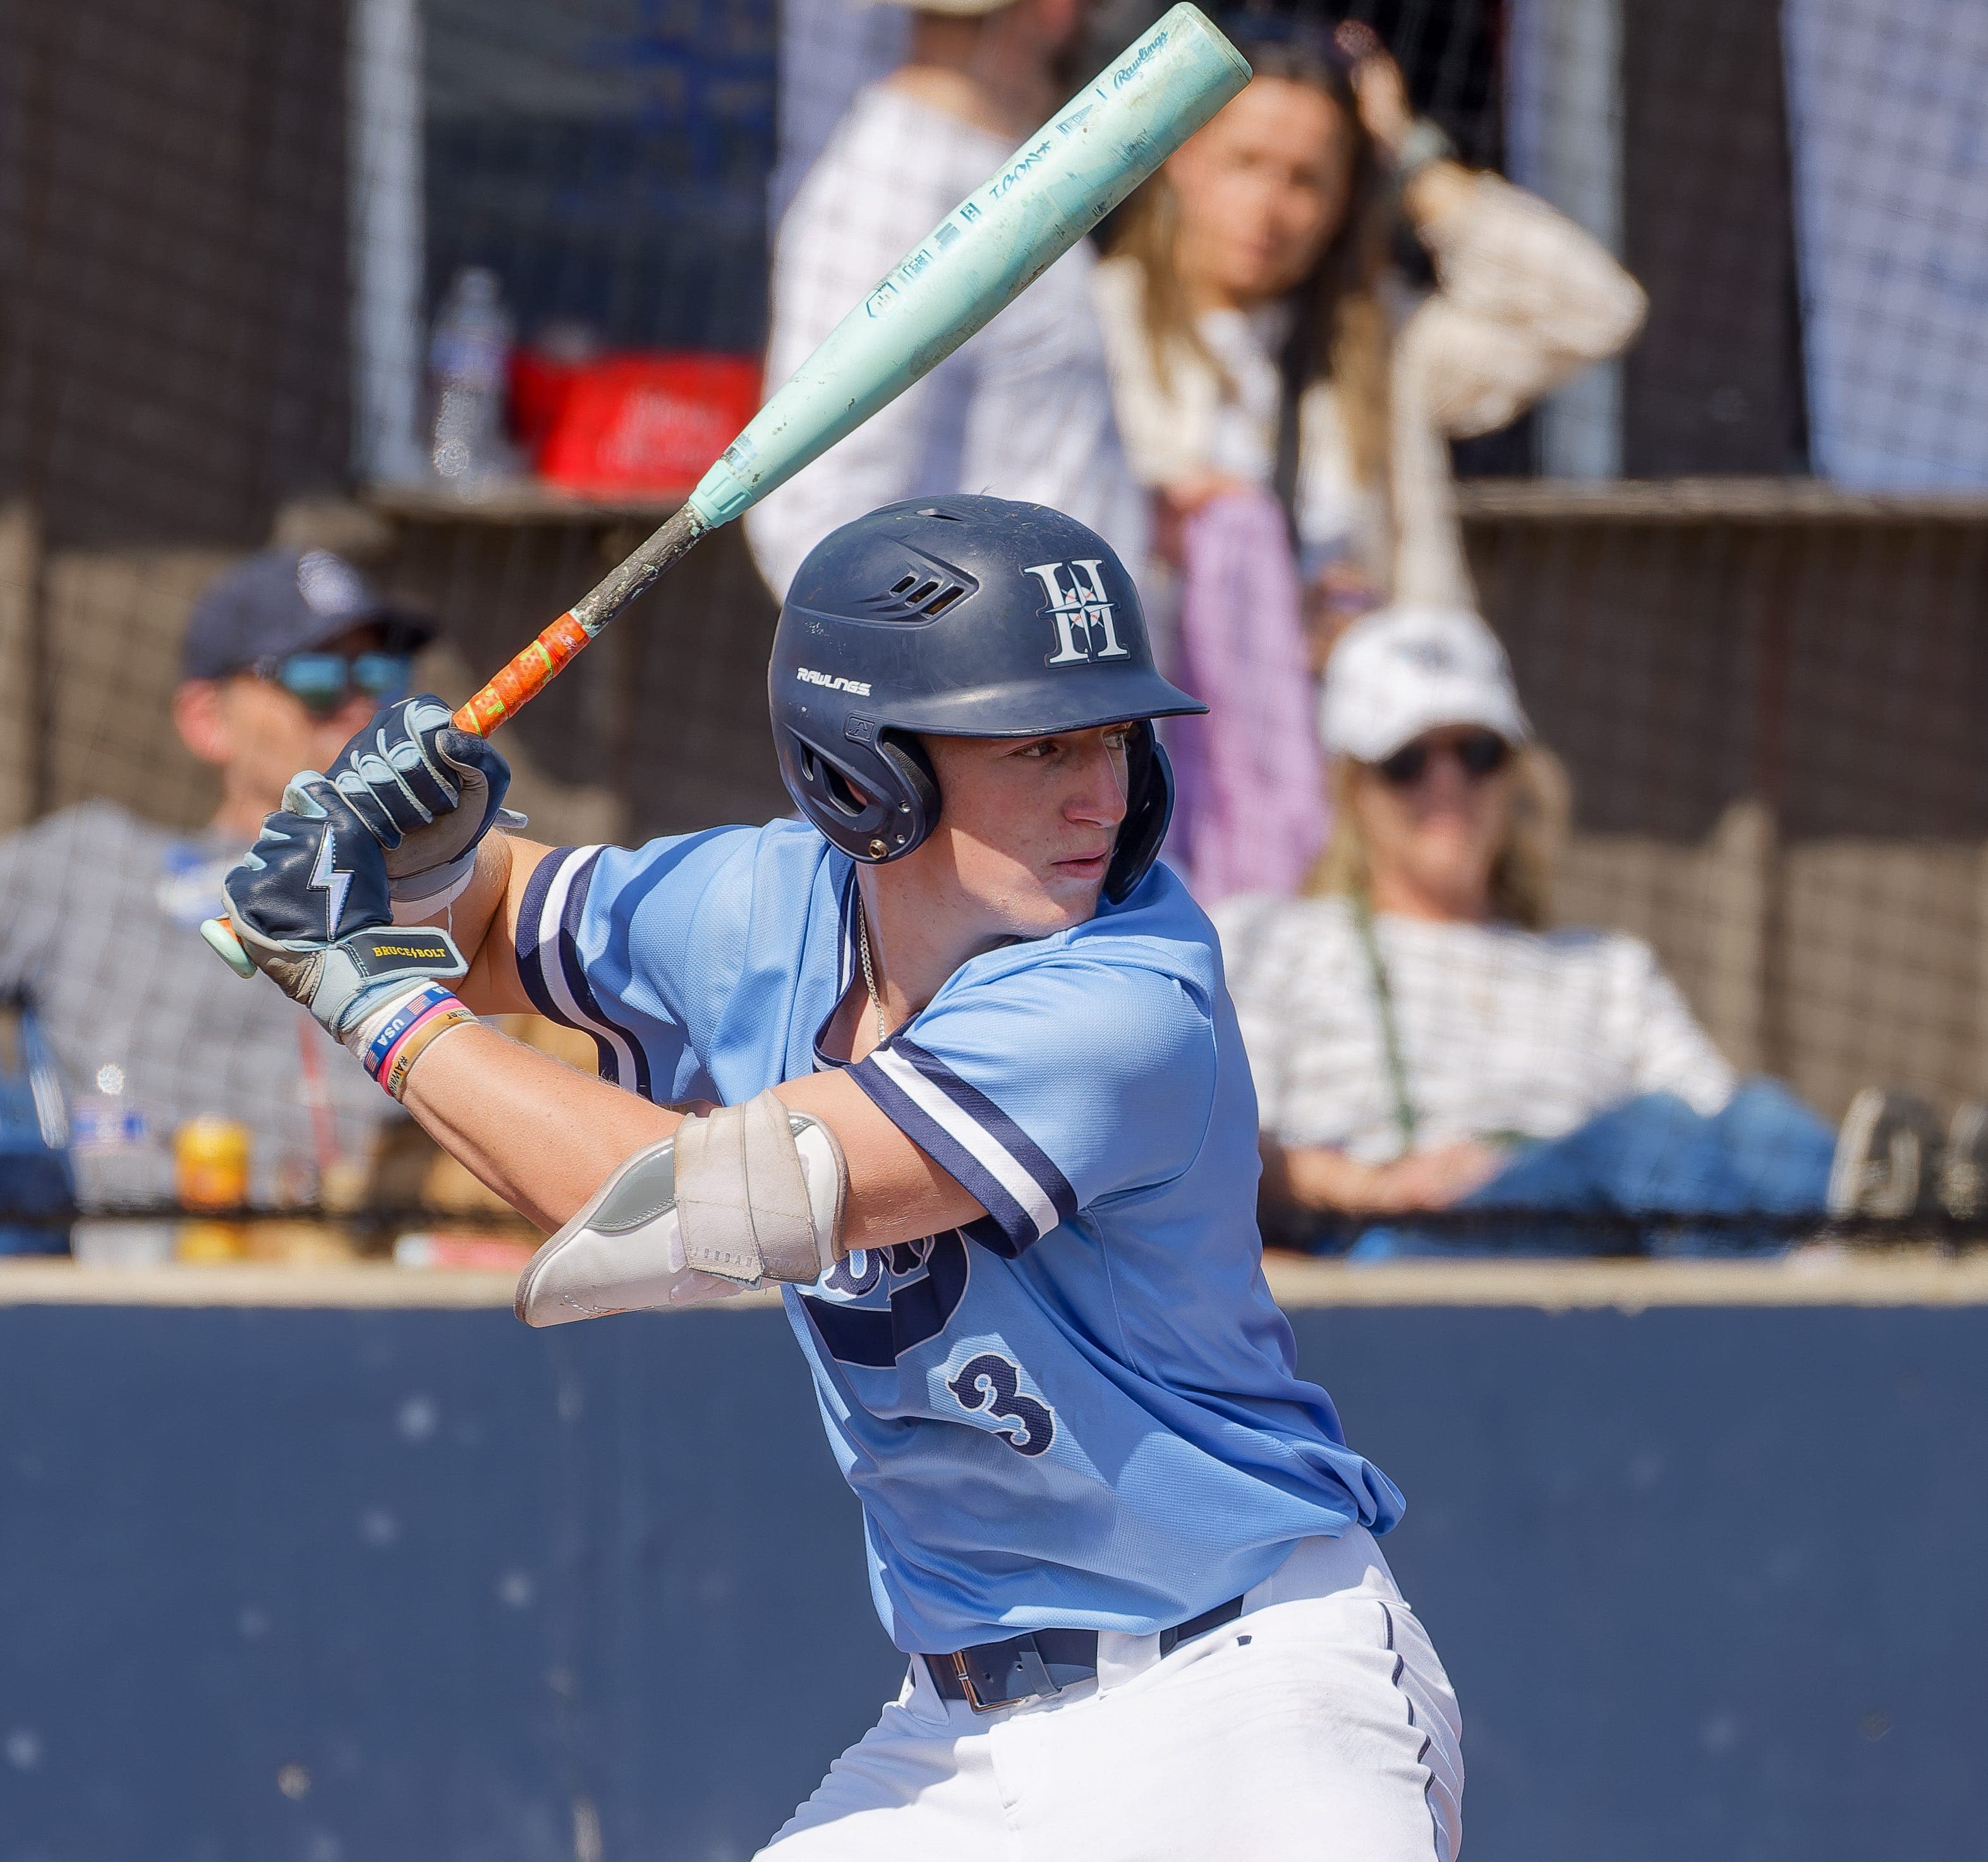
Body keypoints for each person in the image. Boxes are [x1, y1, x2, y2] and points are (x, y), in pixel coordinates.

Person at [218, 495, 1464, 1859]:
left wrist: (376, 1004)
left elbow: (682, 1209)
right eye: (1040, 742)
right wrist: (407, 864)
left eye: (1111, 735)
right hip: (962, 1737)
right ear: (866, 772)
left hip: (1248, 1696)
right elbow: (502, 916)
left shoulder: (1121, 1004)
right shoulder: (768, 901)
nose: (1099, 792)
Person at [1215, 603, 1958, 1255]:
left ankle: (1907, 1222)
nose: (1446, 784)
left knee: (1753, 1112)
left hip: (1598, 1247)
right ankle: (1855, 1254)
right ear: (1350, 786)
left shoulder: (1605, 968)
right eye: (1406, 761)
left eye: (1476, 753)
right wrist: (1373, 1185)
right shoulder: (1275, 943)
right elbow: (1207, 1147)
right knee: (1649, 1135)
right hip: (1416, 1249)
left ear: (1513, 773)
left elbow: (1724, 1127)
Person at [1093, 17, 1647, 649]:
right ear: (1182, 159)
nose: (1267, 208)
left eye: (1305, 179)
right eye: (1243, 163)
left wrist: (1409, 158)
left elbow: (1595, 310)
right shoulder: (1092, 324)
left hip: (1348, 728)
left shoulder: (1383, 344)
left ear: (1343, 199)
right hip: (1157, 725)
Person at [0, 547, 431, 1207]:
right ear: (208, 720)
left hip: (374, 1272)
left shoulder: (442, 886)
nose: (359, 704)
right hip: (140, 1283)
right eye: (316, 677)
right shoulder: (90, 863)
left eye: (378, 672)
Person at [742, 0, 1148, 603]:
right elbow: (810, 509)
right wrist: (951, 670)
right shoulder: (895, 177)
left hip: (1070, 668)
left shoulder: (995, 160)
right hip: (999, 678)